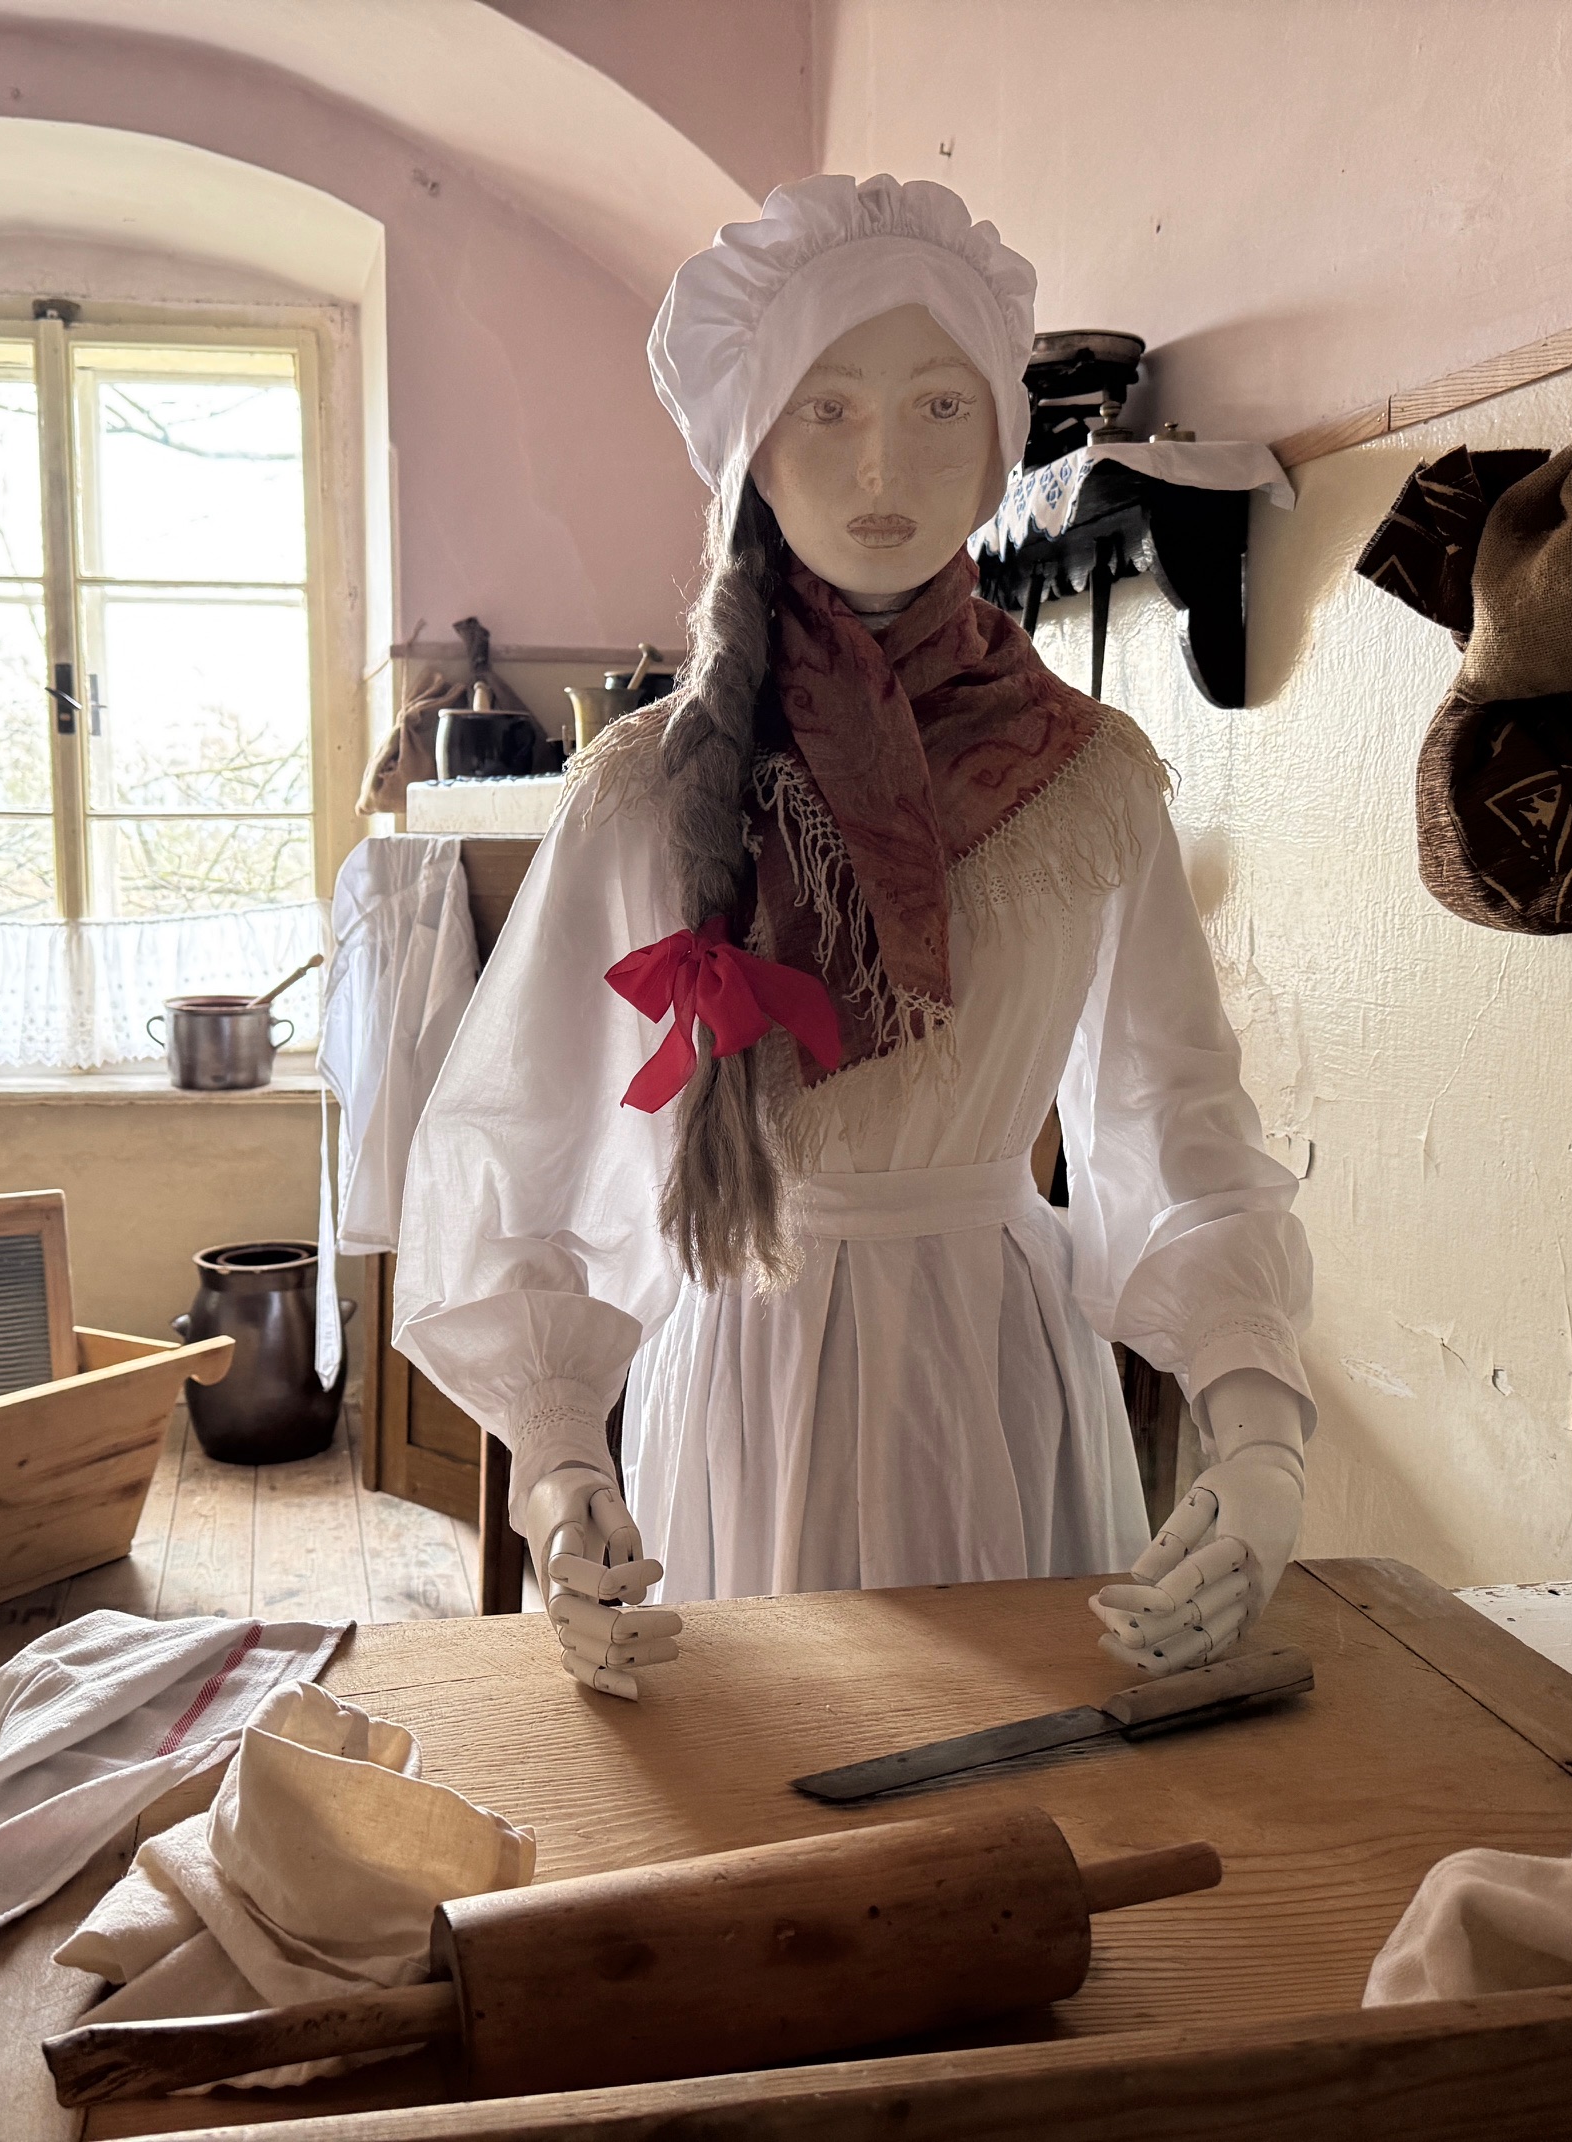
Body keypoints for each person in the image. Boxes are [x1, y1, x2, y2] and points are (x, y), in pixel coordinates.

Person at [394, 175, 1314, 1698]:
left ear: (1001, 441)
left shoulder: (1088, 782)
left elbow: (1180, 1126)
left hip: (1001, 1380)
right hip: (744, 1377)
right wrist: (558, 1468)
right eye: (827, 410)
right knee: (756, 1795)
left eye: (940, 406)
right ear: (752, 443)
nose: (885, 464)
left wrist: (1259, 1428)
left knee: (1016, 1790)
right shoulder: (646, 793)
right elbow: (527, 1146)